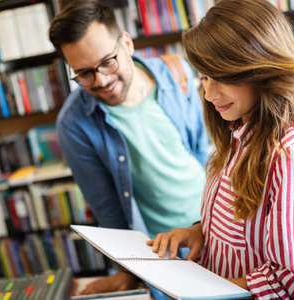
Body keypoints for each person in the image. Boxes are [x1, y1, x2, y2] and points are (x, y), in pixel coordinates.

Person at [148, 0, 294, 299]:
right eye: (204, 76)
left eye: (224, 77)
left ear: (264, 69)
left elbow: (288, 286)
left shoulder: (293, 157)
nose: (208, 92)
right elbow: (248, 227)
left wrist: (196, 289)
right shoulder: (237, 134)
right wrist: (200, 231)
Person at [48, 0, 208, 295]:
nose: (102, 80)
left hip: (216, 231)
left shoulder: (177, 73)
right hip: (164, 257)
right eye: (84, 73)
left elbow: (204, 155)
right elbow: (110, 212)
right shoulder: (74, 124)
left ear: (126, 43)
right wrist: (129, 272)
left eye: (108, 61)